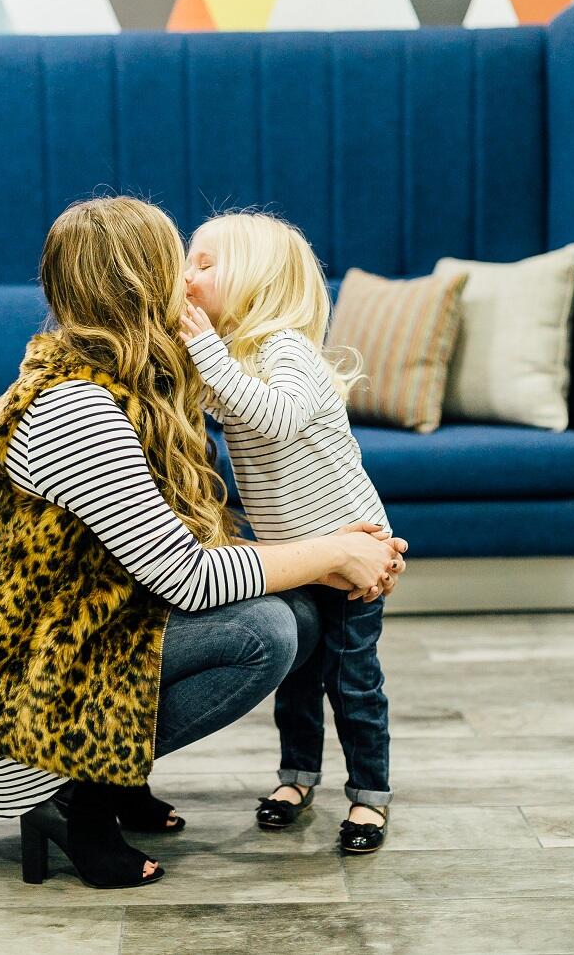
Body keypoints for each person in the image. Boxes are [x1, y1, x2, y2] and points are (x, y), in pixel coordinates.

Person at [0, 197, 407, 890]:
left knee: (300, 614)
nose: (189, 277)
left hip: (77, 624)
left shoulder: (140, 376)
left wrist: (345, 544)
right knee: (267, 632)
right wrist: (337, 552)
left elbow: (172, 540)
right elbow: (189, 578)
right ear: (141, 283)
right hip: (16, 685)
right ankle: (76, 797)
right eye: (179, 260)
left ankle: (116, 773)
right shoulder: (76, 406)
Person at [182, 211, 395, 854]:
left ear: (254, 280)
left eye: (204, 264)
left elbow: (274, 418)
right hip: (295, 556)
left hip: (351, 548)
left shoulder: (286, 350)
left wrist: (205, 352)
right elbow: (205, 406)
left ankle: (370, 796)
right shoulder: (236, 360)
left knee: (351, 680)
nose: (186, 277)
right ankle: (298, 776)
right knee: (298, 674)